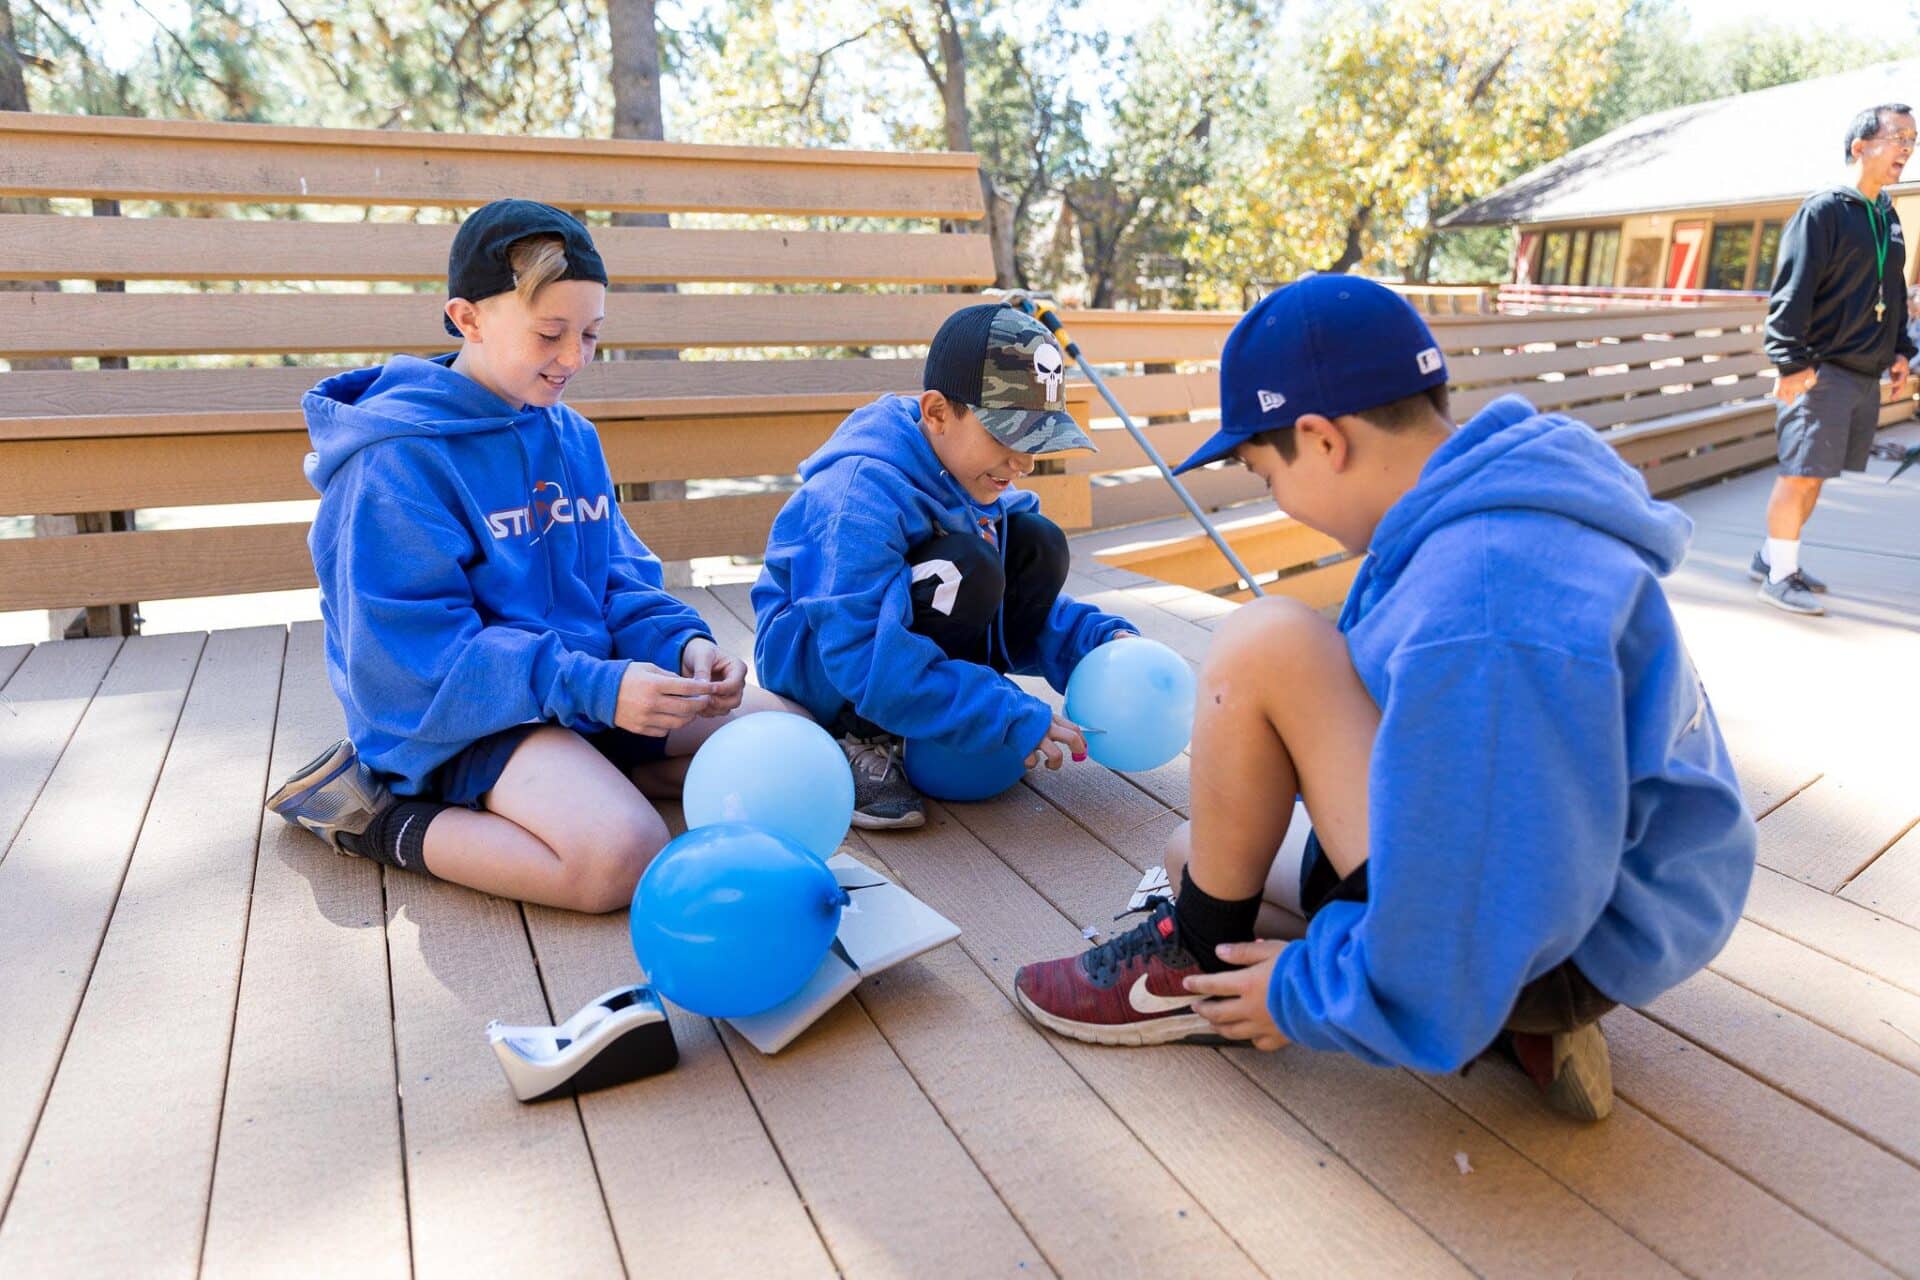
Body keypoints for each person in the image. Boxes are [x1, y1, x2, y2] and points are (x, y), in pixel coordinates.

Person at [1012, 276, 1757, 1122]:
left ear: (1321, 438)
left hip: (1555, 939)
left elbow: (1480, 894)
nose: (1278, 503)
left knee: (1264, 641)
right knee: (1198, 857)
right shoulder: (1499, 503)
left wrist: (1304, 991)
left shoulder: (1476, 603)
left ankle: (1207, 978)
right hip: (1591, 892)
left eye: (1265, 477)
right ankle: (1502, 1021)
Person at [267, 200, 792, 912]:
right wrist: (596, 688)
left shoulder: (569, 435)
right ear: (467, 317)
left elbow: (616, 577)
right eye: (550, 333)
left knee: (784, 741)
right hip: (463, 719)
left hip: (580, 694)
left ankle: (580, 785)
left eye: (591, 335)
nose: (574, 359)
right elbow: (414, 663)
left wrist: (681, 646)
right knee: (619, 859)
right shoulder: (393, 462)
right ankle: (374, 818)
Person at [752, 302, 1137, 829]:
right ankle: (855, 734)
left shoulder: (973, 475)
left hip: (898, 647)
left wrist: (1093, 644)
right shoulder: (858, 494)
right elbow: (857, 652)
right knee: (965, 566)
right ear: (936, 412)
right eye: (1007, 435)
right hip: (828, 666)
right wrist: (1000, 710)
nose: (1024, 462)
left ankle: (935, 706)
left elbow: (1013, 608)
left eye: (1036, 441)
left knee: (1035, 543)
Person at [1756, 103, 1916, 615]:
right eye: (1898, 138)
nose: (1908, 149)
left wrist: (1899, 350)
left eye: (1913, 140)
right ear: (1860, 147)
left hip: (1862, 370)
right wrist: (1789, 363)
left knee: (1817, 471)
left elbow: (1890, 286)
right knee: (1799, 472)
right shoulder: (1822, 211)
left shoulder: (1886, 214)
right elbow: (1790, 291)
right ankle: (1779, 577)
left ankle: (1773, 558)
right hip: (1819, 369)